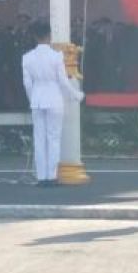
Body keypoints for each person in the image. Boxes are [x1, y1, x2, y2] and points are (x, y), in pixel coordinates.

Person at [21, 21, 83, 186]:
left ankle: (41, 177)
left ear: (34, 37)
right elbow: (63, 82)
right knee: (53, 138)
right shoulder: (56, 56)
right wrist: (76, 94)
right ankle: (51, 176)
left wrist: (32, 99)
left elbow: (27, 84)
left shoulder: (26, 57)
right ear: (49, 36)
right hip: (54, 99)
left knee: (39, 139)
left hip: (37, 99)